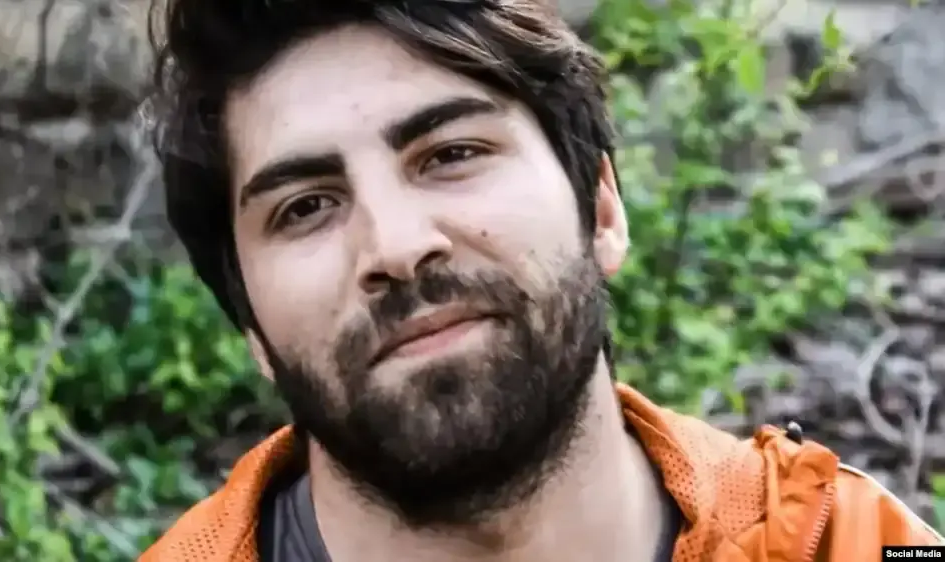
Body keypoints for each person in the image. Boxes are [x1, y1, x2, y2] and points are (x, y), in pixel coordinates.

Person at [140, 0, 943, 559]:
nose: (397, 247)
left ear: (601, 208)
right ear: (250, 325)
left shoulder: (850, 544)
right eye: (306, 207)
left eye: (451, 154)